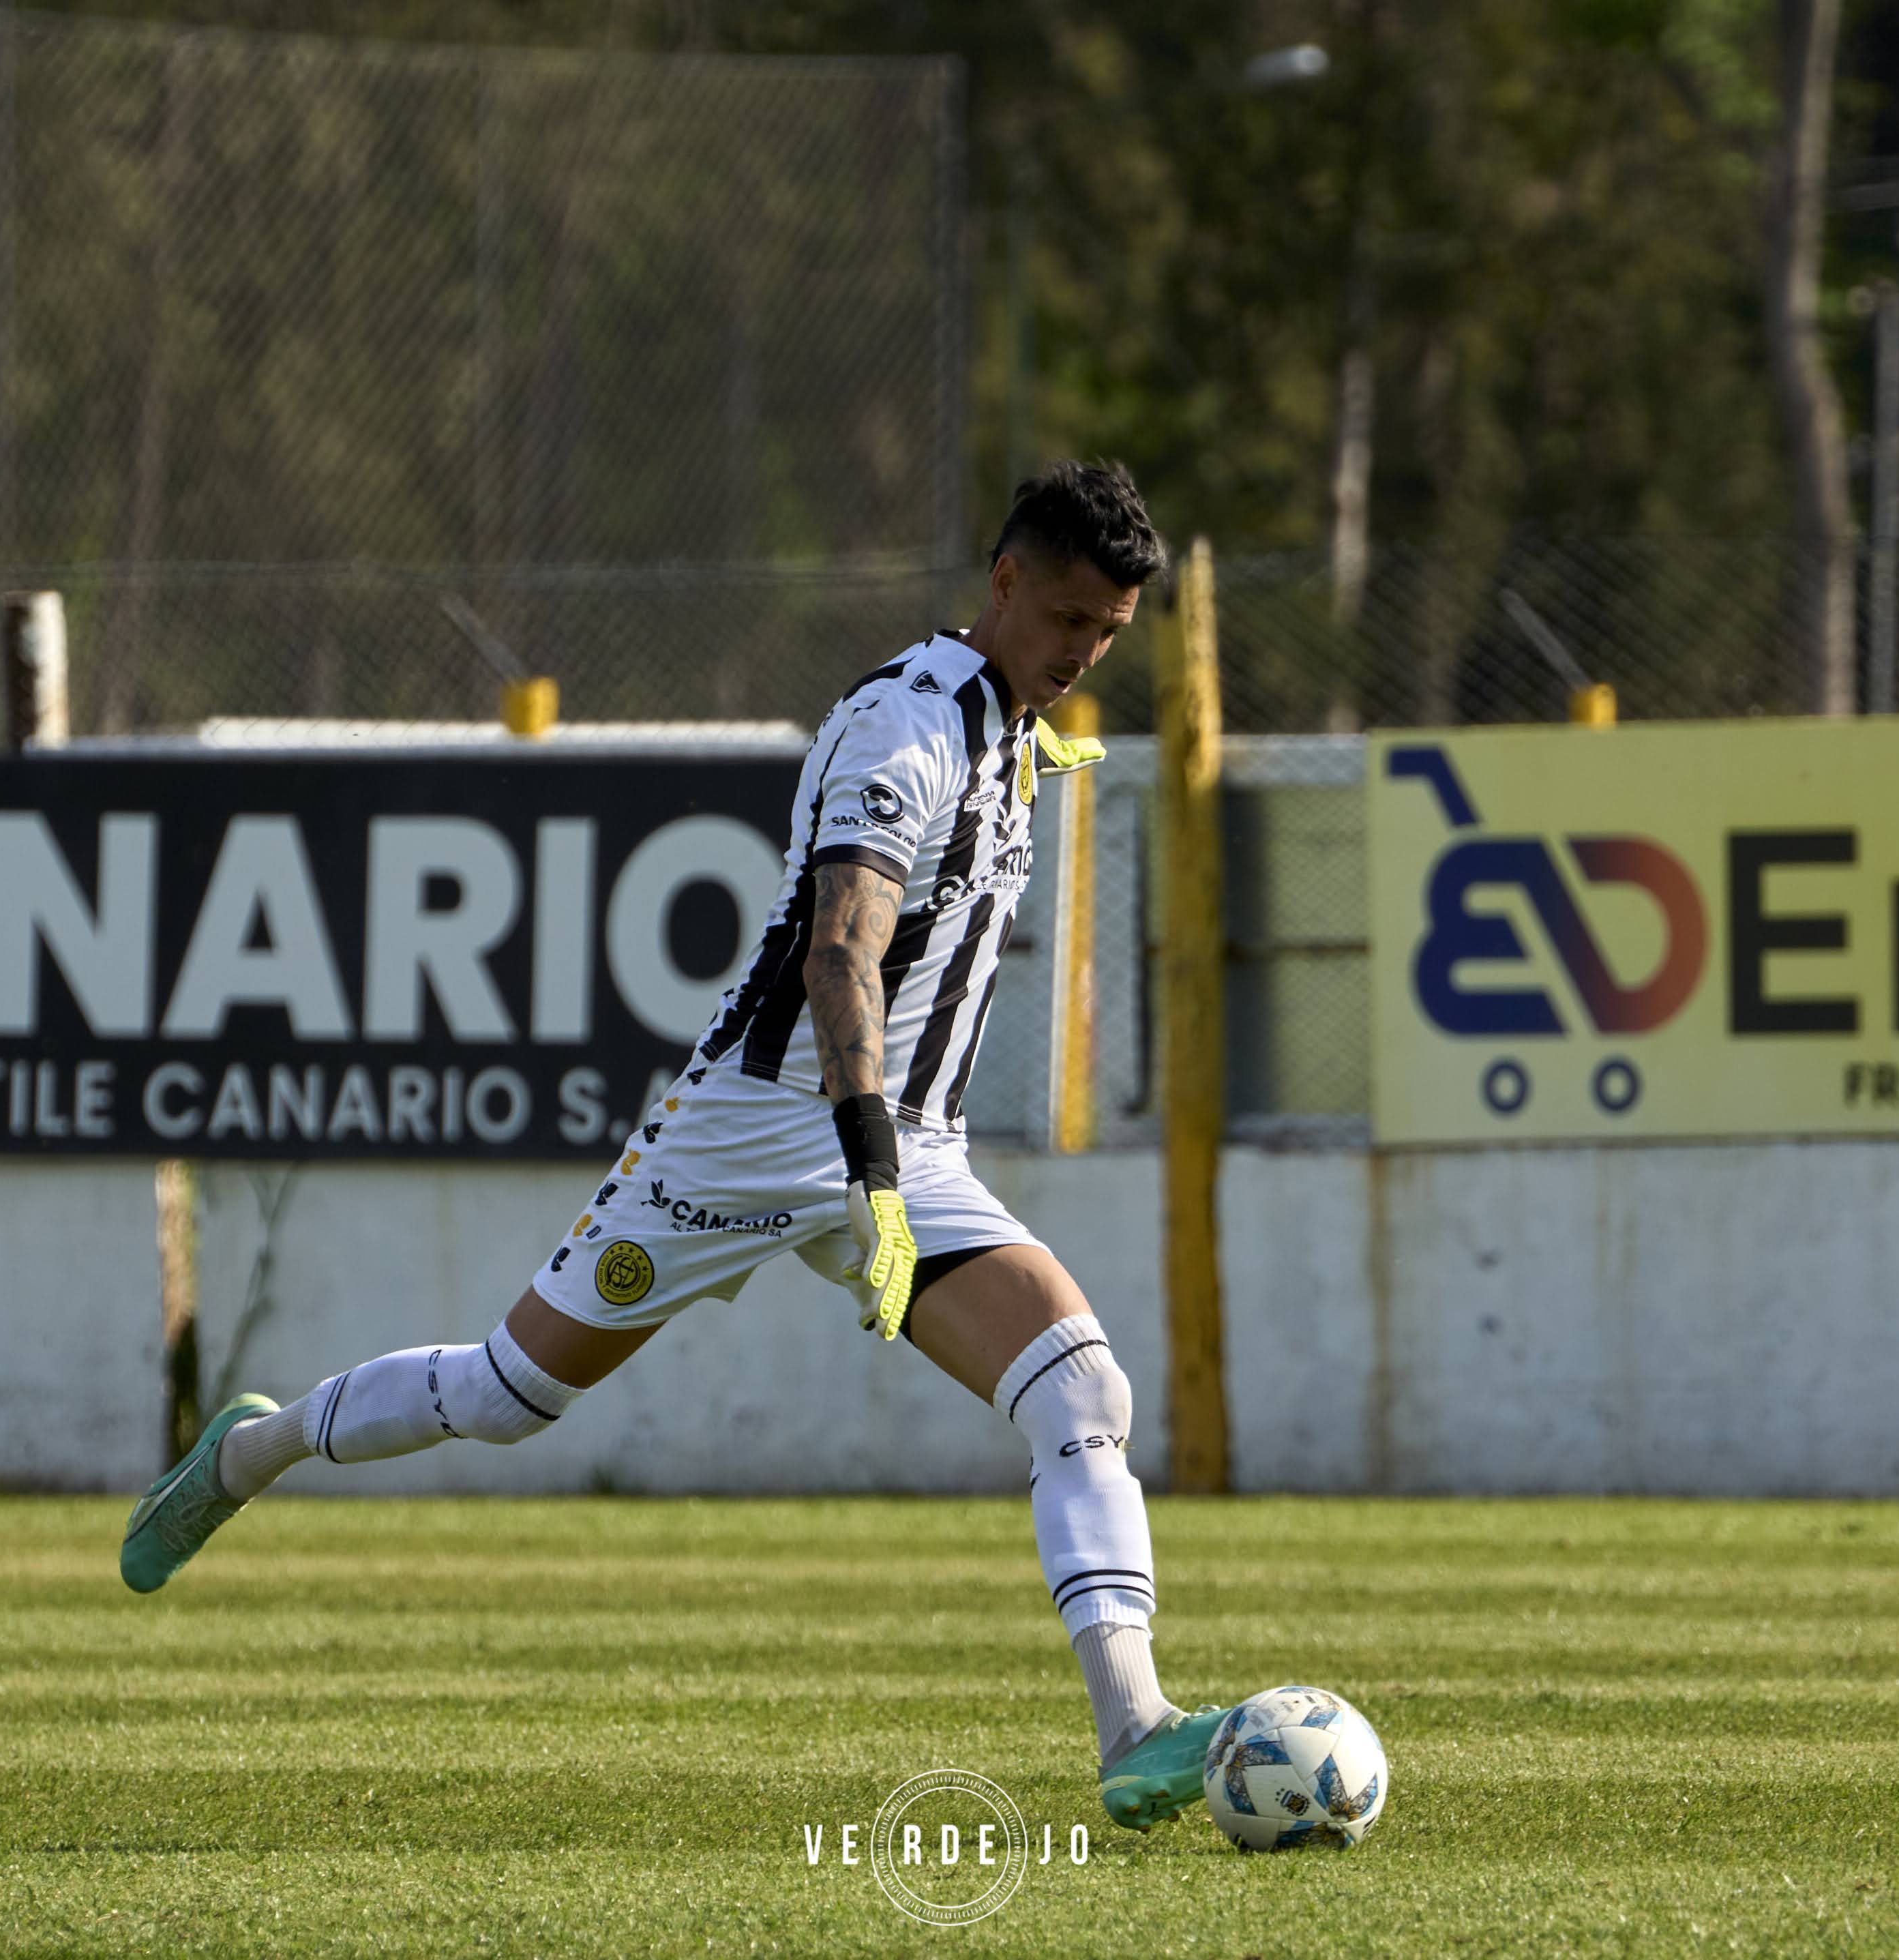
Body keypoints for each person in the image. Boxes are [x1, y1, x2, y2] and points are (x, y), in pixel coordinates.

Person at [119, 460, 1235, 1828]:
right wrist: (871, 1175)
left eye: (1110, 636)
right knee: (506, 1396)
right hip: (758, 1136)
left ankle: (1136, 1729)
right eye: (1069, 622)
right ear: (1003, 584)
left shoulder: (1006, 723)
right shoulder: (910, 727)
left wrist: (896, 1165)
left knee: (1078, 1390)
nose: (1083, 656)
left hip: (905, 1146)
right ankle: (252, 1453)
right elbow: (841, 952)